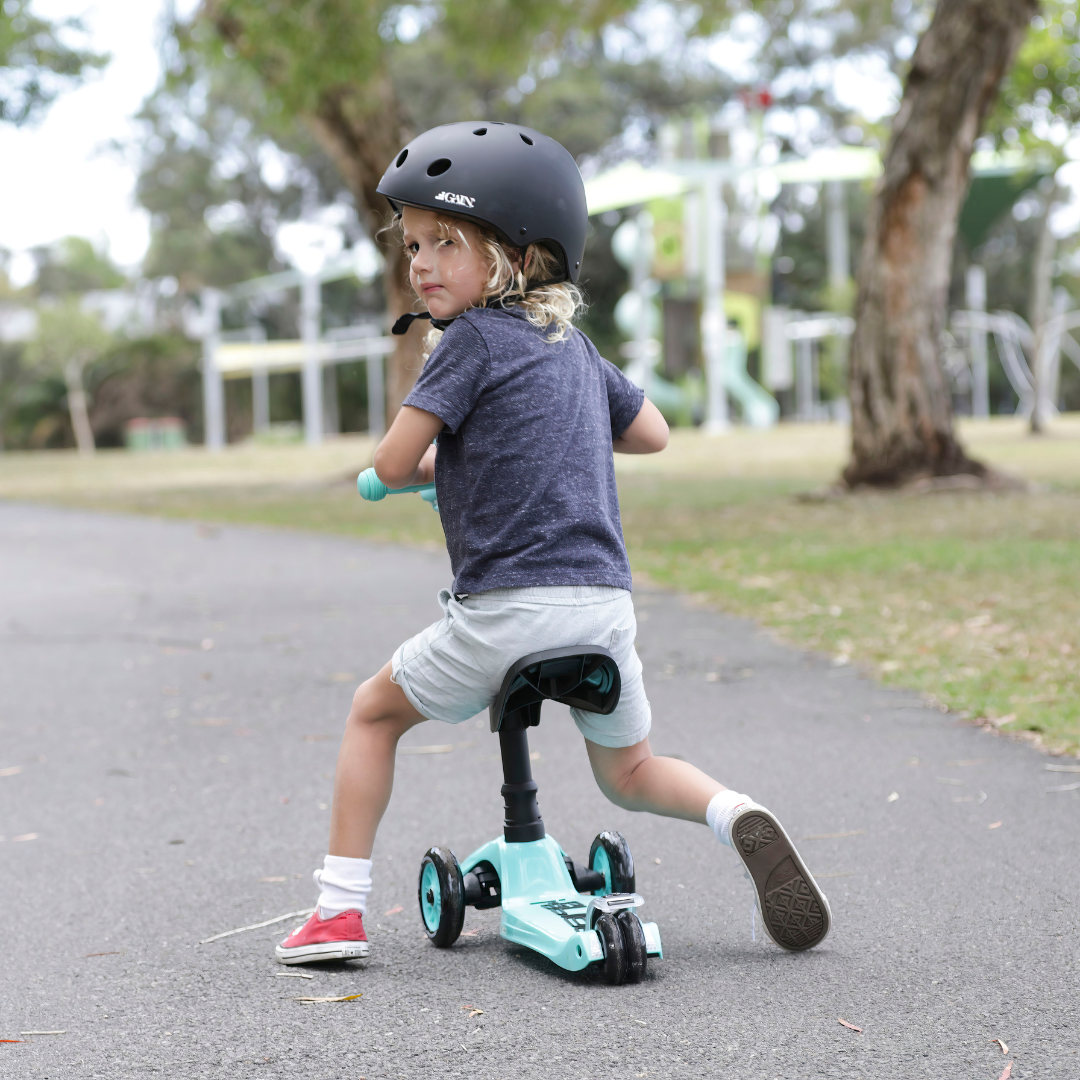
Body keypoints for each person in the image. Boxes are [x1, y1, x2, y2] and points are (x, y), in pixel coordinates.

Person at [276, 122, 830, 965]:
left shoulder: (466, 342)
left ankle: (337, 912)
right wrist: (537, 441)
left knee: (371, 714)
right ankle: (733, 813)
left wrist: (415, 470)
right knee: (631, 774)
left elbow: (391, 462)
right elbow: (652, 435)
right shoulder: (574, 345)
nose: (420, 263)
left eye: (445, 243)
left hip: (507, 615)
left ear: (519, 256)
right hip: (605, 611)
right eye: (414, 244)